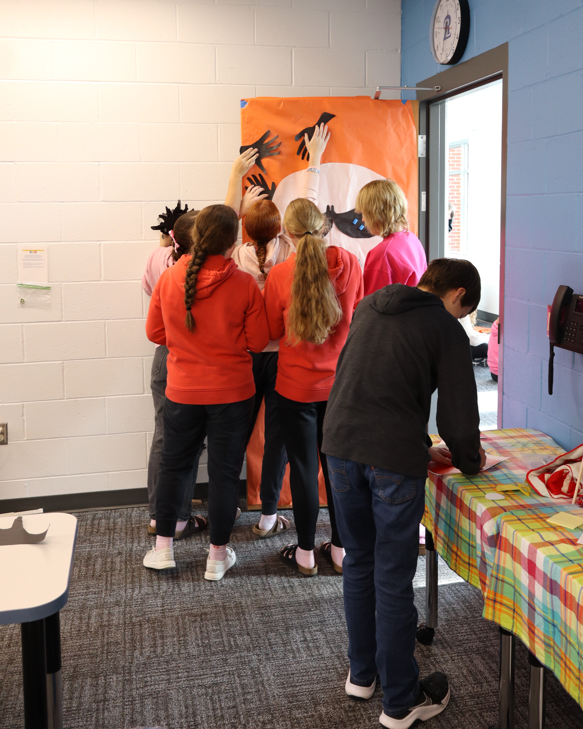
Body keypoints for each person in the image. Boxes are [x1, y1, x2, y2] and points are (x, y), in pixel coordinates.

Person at [322, 258, 485, 728]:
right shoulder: (446, 328)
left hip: (339, 446)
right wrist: (469, 462)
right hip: (390, 461)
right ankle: (401, 701)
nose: (461, 320)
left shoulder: (373, 305)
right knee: (394, 578)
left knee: (359, 561)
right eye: (464, 310)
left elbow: (369, 385)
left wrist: (421, 446)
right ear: (457, 294)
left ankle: (362, 674)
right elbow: (458, 418)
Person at [142, 205, 270, 579]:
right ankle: (217, 556)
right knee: (225, 473)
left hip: (182, 392)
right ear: (233, 243)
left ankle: (163, 548)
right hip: (233, 393)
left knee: (174, 467)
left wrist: (187, 343)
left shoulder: (169, 279)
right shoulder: (245, 283)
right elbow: (259, 341)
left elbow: (155, 334)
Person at [224, 125, 331, 540]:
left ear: (246, 229)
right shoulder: (292, 252)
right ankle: (269, 514)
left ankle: (227, 504)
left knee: (236, 433)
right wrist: (314, 162)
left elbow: (221, 226)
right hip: (284, 359)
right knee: (277, 441)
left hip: (250, 357)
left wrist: (239, 195)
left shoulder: (237, 254)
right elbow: (308, 211)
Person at [263, 198, 363, 576]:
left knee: (304, 470)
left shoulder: (279, 275)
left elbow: (272, 332)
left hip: (295, 389)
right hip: (339, 388)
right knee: (338, 469)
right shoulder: (350, 263)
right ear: (324, 226)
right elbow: (356, 315)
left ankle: (305, 554)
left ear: (287, 233)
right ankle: (340, 550)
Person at [144, 204, 207, 541]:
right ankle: (179, 517)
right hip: (187, 358)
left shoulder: (159, 260)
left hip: (164, 355)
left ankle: (159, 515)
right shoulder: (203, 270)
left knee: (162, 437)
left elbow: (150, 304)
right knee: (188, 443)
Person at [355, 179, 427, 296]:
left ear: (377, 214)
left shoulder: (383, 253)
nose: (363, 219)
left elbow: (371, 305)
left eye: (364, 214)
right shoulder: (412, 238)